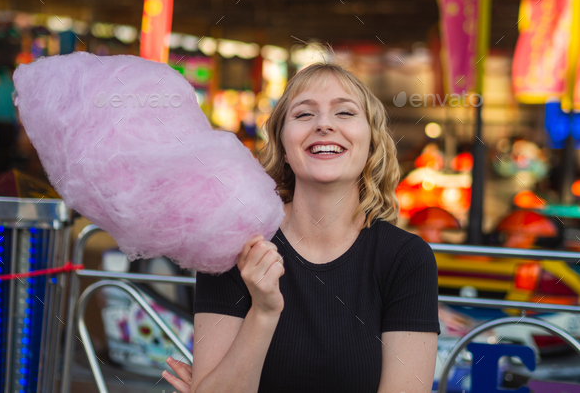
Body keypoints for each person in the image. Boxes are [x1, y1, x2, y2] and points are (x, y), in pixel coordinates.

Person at [162, 62, 440, 393]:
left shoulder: (406, 259)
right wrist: (263, 313)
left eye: (345, 113)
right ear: (283, 146)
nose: (324, 124)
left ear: (371, 144)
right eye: (304, 114)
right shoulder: (231, 244)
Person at [0, 66, 18, 174]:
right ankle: (5, 170)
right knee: (7, 146)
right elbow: (16, 105)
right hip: (9, 120)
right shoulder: (12, 87)